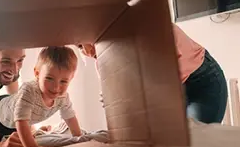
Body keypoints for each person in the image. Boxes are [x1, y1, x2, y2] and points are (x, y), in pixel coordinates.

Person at [78, 23, 228, 124]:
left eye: (82, 44)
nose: (87, 52)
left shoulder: (138, 23)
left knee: (196, 146)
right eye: (79, 48)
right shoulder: (103, 59)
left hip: (200, 81)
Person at [0, 46, 82, 147]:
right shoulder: (29, 91)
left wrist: (79, 138)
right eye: (49, 78)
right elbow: (21, 121)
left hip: (17, 114)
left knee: (19, 136)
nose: (56, 87)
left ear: (71, 78)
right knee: (0, 145)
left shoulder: (63, 97)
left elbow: (70, 117)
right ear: (37, 73)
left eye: (63, 81)